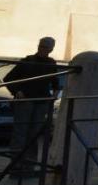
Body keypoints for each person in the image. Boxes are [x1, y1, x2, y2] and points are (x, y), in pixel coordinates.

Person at [6, 36, 59, 174]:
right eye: (41, 46)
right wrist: (17, 91)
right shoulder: (27, 61)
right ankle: (16, 164)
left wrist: (54, 94)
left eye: (45, 47)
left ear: (51, 49)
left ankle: (30, 164)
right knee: (20, 132)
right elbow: (8, 78)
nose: (42, 49)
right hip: (26, 100)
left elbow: (55, 82)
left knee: (34, 134)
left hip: (41, 101)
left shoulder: (51, 63)